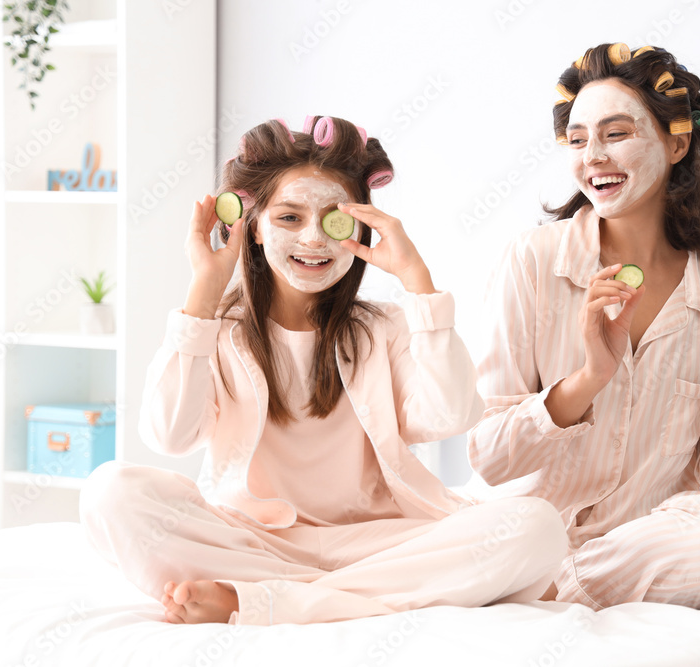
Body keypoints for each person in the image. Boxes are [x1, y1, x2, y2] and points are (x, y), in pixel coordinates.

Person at [80, 115, 567, 625]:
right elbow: (170, 436)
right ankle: (335, 600)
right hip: (255, 540)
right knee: (110, 494)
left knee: (536, 526)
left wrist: (418, 284)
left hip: (380, 541)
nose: (313, 239)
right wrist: (202, 295)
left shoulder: (388, 325)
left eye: (334, 219)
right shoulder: (216, 330)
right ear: (253, 228)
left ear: (360, 228)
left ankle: (267, 601)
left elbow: (450, 415)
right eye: (289, 218)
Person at [466, 43, 700, 611]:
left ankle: (556, 590)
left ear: (676, 142)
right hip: (523, 538)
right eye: (577, 139)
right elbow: (489, 458)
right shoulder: (534, 261)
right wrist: (589, 378)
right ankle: (537, 579)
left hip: (644, 546)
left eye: (616, 134)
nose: (592, 155)